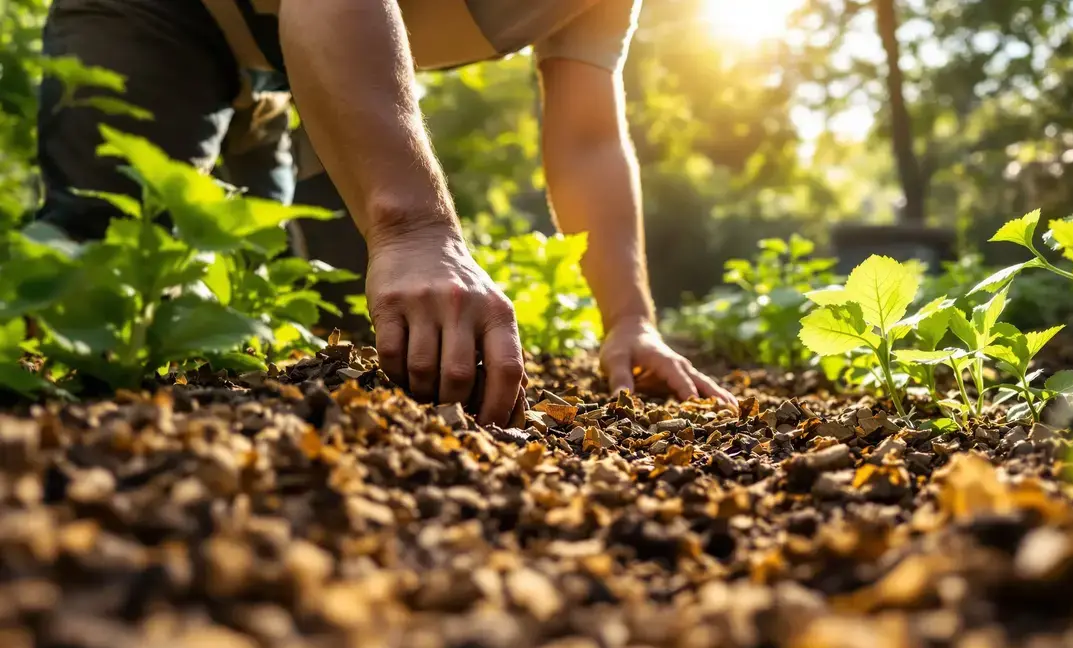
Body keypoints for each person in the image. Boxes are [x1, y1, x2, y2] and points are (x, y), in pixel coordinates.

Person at [35, 0, 737, 426]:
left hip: (302, 66)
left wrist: (631, 318)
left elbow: (589, 142)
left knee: (339, 312)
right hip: (165, 16)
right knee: (101, 274)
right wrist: (415, 229)